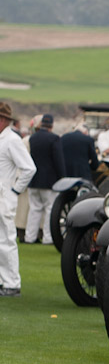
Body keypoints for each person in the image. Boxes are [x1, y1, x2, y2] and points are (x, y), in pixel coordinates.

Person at [0, 101, 38, 297]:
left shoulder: (12, 140)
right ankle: (3, 280)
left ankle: (12, 283)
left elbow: (29, 168)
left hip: (5, 197)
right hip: (3, 195)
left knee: (7, 240)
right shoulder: (3, 139)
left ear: (4, 120)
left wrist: (15, 190)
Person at [25, 113, 65, 245]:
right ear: (52, 125)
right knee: (49, 210)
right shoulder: (54, 139)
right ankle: (48, 238)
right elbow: (58, 160)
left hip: (34, 179)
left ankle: (29, 237)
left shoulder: (33, 138)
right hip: (49, 180)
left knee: (34, 209)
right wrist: (62, 178)